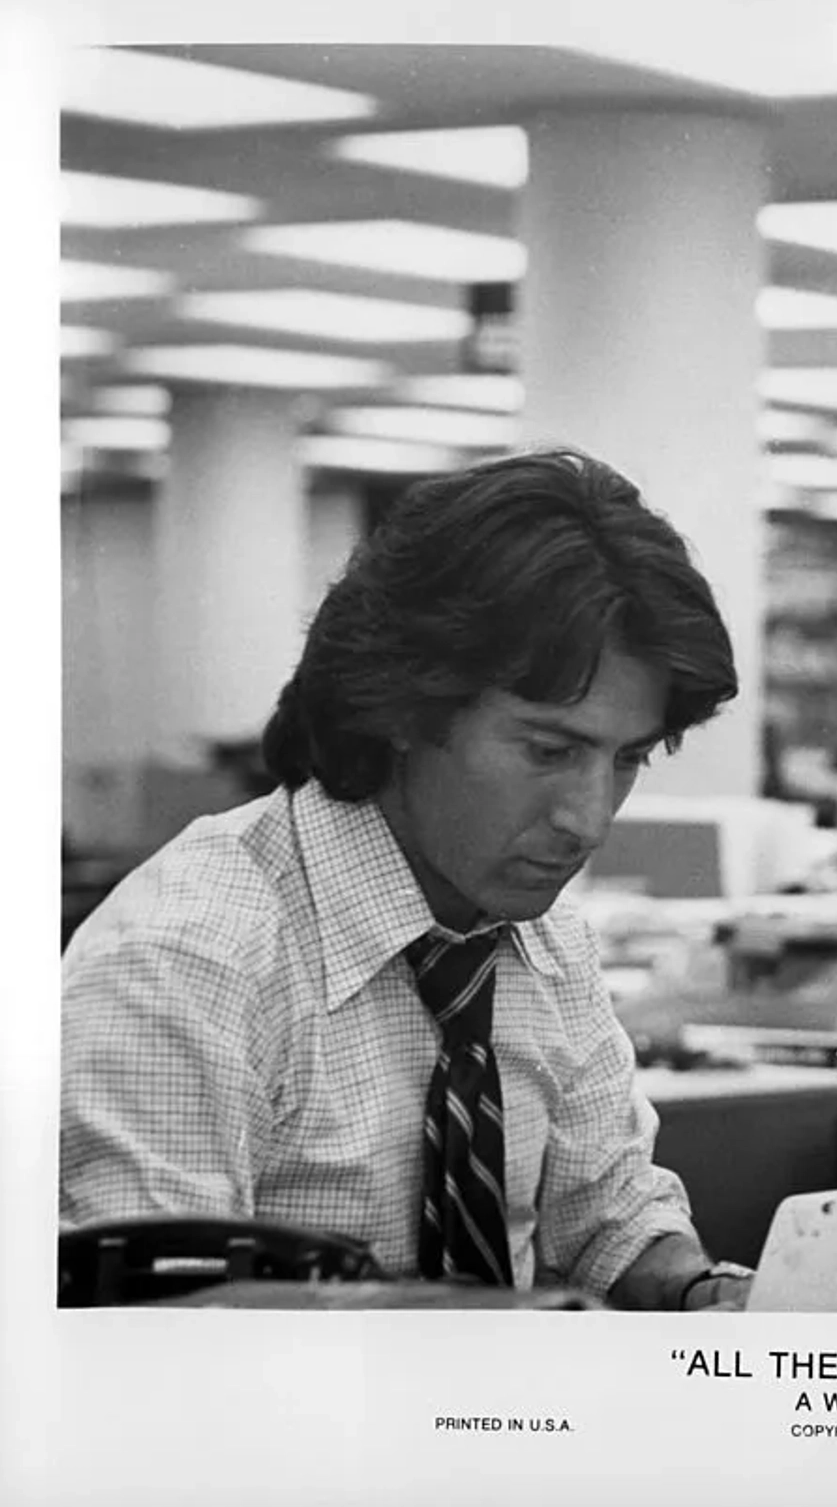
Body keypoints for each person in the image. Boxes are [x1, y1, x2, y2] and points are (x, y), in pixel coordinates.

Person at [61, 449, 752, 1311]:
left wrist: (703, 1293)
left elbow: (607, 1215)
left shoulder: (544, 938)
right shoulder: (187, 954)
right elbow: (156, 1326)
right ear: (400, 708)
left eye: (629, 758)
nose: (591, 818)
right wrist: (485, 1328)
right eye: (548, 751)